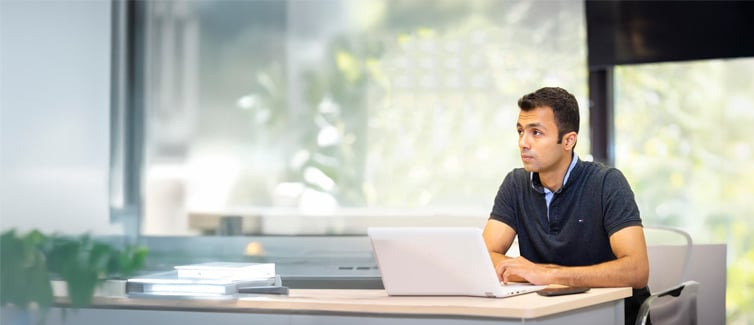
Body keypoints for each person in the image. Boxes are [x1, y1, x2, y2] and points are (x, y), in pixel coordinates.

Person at [482, 87, 650, 325]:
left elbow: (637, 270)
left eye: (536, 133)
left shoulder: (607, 183)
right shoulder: (515, 184)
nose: (523, 142)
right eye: (520, 131)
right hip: (550, 316)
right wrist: (531, 273)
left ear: (568, 140)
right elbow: (484, 257)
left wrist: (548, 274)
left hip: (611, 316)